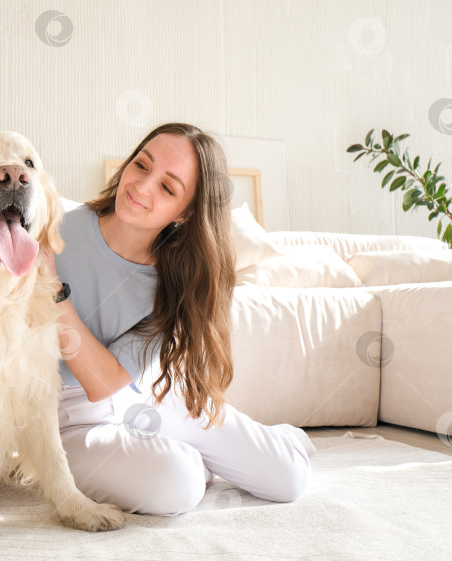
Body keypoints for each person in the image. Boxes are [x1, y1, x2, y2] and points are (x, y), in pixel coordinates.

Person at [43, 122, 314, 516]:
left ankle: (272, 440)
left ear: (186, 213)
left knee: (290, 478)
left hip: (146, 397)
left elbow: (106, 382)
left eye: (167, 188)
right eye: (141, 165)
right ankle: (185, 457)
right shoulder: (54, 226)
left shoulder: (175, 284)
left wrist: (52, 291)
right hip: (68, 419)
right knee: (178, 484)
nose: (141, 186)